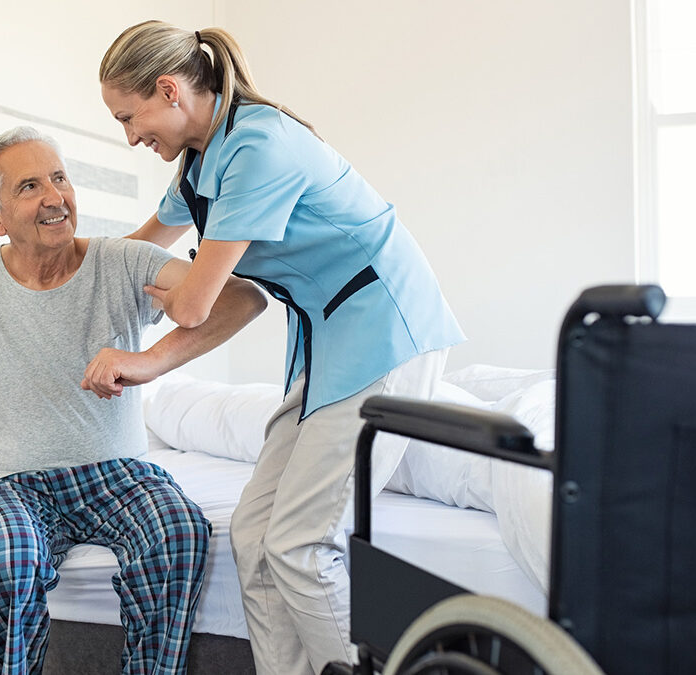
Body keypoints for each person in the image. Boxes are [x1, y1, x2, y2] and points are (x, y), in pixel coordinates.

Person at [99, 21, 466, 675]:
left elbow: (194, 303)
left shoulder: (258, 146)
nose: (130, 136)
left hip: (384, 330)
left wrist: (142, 358)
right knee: (251, 535)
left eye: (130, 117)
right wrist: (57, 273)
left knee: (299, 542)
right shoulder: (200, 159)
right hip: (328, 344)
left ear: (167, 91)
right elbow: (137, 249)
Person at [0, 126, 266, 675]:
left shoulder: (124, 262)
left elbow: (241, 299)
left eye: (60, 178)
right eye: (30, 186)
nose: (54, 197)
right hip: (8, 480)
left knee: (178, 530)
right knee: (14, 560)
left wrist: (150, 360)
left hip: (117, 473)